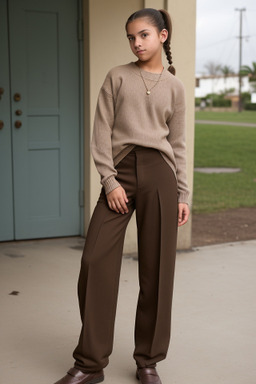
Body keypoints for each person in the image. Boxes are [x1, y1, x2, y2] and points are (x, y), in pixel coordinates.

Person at [54, 8, 190, 384]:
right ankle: (90, 363)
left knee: (157, 270)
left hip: (161, 176)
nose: (136, 43)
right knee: (95, 262)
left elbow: (177, 144)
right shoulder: (117, 77)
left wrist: (183, 193)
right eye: (131, 37)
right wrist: (109, 181)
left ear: (162, 36)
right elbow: (101, 132)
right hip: (121, 171)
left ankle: (148, 360)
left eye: (144, 35)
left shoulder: (175, 87)